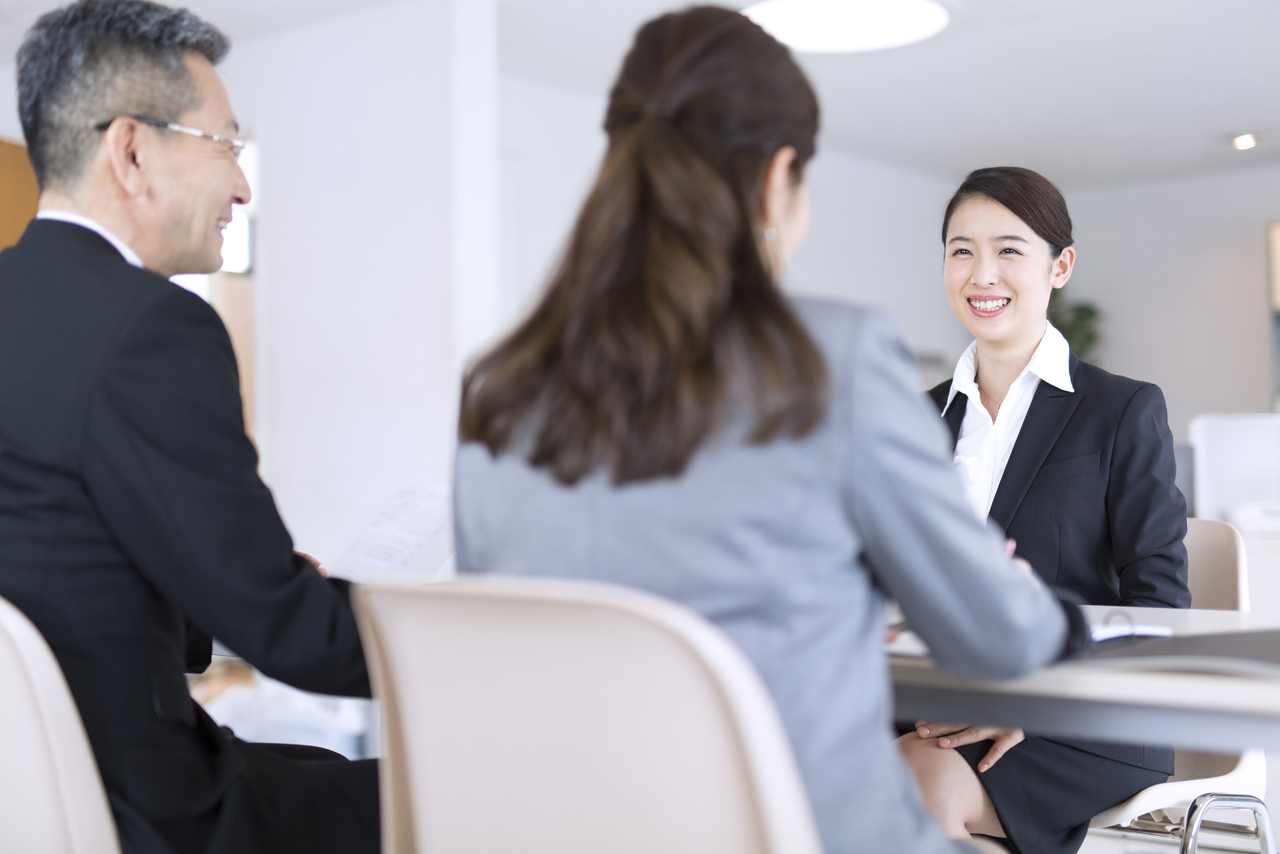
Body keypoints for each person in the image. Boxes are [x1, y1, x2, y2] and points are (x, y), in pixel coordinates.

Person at [452, 8, 1089, 854]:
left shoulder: (500, 390)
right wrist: (1027, 600)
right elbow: (1003, 641)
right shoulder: (832, 359)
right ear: (778, 177)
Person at [0, 2, 378, 852]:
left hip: (27, 796)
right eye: (225, 147)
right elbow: (282, 630)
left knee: (318, 764)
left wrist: (234, 580)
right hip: (140, 810)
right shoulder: (150, 328)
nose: (243, 187)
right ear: (132, 152)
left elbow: (61, 554)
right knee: (440, 790)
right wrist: (458, 648)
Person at [898, 167, 1190, 854]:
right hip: (938, 699)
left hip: (1085, 712)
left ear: (1060, 267)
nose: (982, 274)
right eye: (962, 250)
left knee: (912, 783)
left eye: (1009, 250)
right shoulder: (913, 420)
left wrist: (1038, 699)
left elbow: (1159, 606)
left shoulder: (1122, 410)